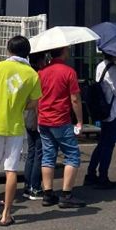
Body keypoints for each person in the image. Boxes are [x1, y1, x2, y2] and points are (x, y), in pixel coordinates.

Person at [0, 36, 42, 226]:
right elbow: (34, 103)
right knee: (11, 170)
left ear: (9, 50)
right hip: (16, 126)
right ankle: (6, 214)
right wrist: (19, 107)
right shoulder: (32, 74)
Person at [36, 44, 86, 208]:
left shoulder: (41, 72)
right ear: (64, 51)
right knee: (72, 155)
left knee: (48, 155)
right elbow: (75, 99)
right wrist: (79, 120)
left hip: (44, 119)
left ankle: (48, 193)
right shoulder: (69, 72)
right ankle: (66, 194)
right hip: (61, 119)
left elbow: (36, 97)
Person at [86, 52, 116, 189]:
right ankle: (103, 176)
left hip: (102, 106)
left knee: (102, 143)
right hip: (113, 110)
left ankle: (91, 173)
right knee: (108, 145)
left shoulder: (100, 66)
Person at [23, 52, 47, 199]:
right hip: (36, 116)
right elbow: (38, 99)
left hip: (26, 115)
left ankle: (27, 186)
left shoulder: (26, 73)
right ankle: (35, 187)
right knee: (39, 152)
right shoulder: (37, 75)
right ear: (39, 61)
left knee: (31, 152)